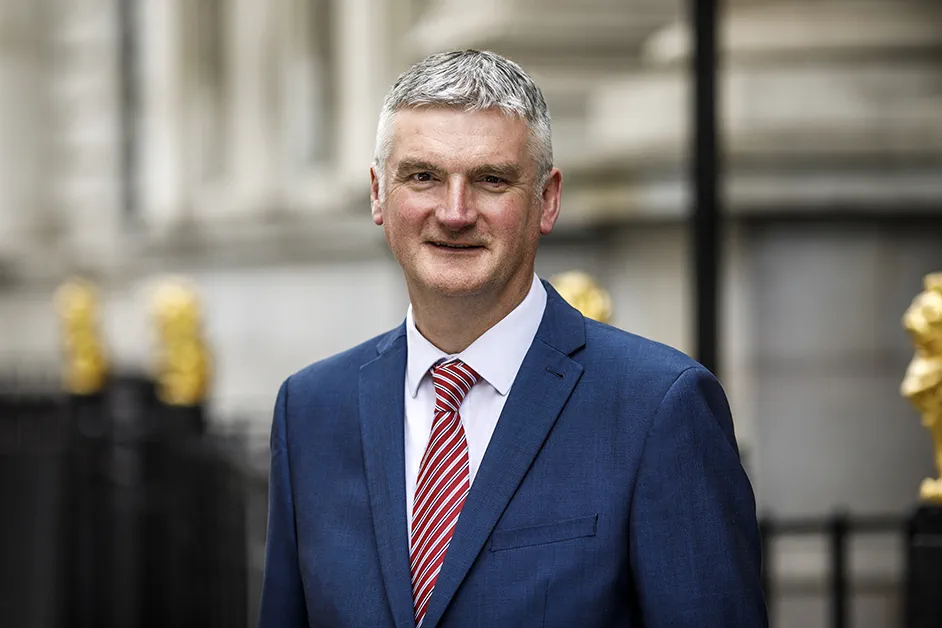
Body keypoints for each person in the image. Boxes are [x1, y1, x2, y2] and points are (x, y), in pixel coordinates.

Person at [258, 50, 768, 628]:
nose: (454, 213)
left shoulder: (658, 408)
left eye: (491, 180)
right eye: (423, 177)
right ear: (378, 193)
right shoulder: (310, 411)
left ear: (547, 200)